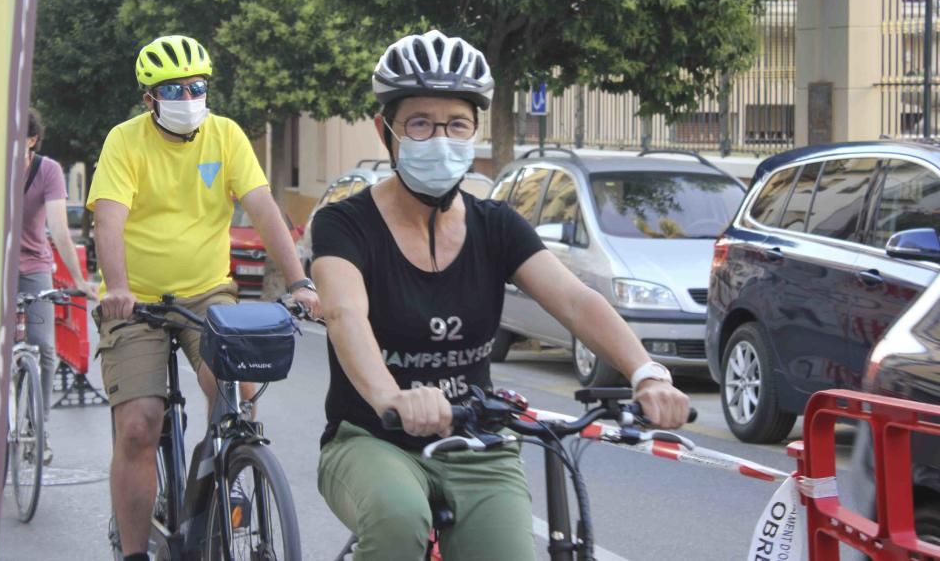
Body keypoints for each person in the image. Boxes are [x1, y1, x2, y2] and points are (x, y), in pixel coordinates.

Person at [311, 30, 691, 561]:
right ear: (385, 130)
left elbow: (576, 301)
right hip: (372, 439)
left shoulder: (498, 226)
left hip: (478, 445)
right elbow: (344, 311)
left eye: (457, 124)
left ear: (474, 132)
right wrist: (390, 397)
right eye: (420, 123)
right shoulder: (343, 224)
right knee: (398, 519)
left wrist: (646, 373)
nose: (439, 139)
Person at [88, 34, 319, 561]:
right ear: (150, 98)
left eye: (197, 86)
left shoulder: (227, 136)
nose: (189, 96)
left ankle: (230, 469)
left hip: (208, 291)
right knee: (139, 423)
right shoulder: (124, 142)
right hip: (138, 301)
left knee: (235, 388)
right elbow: (108, 220)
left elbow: (262, 208)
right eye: (175, 88)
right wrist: (118, 289)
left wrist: (300, 281)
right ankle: (134, 552)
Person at [19, 108, 99, 465]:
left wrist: (80, 280)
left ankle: (40, 429)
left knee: (44, 349)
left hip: (33, 267)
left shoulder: (47, 171)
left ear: (32, 140)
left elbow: (59, 230)